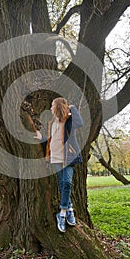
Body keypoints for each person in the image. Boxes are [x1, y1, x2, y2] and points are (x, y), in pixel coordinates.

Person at [35, 97, 84, 233]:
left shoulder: (69, 121)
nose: (51, 108)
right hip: (55, 157)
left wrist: (72, 107)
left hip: (68, 157)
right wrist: (41, 139)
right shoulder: (52, 123)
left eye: (52, 105)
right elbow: (52, 140)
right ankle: (69, 209)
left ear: (58, 107)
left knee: (67, 182)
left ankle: (62, 213)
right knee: (62, 183)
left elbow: (80, 123)